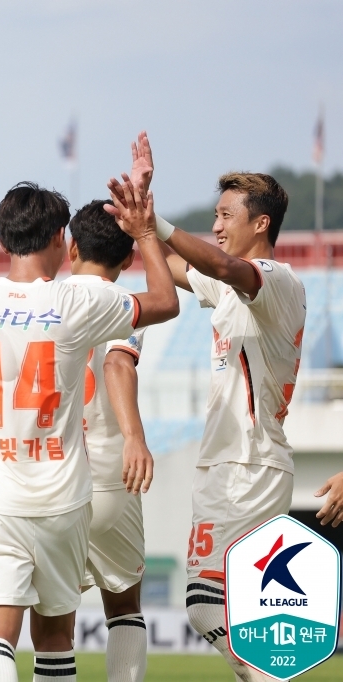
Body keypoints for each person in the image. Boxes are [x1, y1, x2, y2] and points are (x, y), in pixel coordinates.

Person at [0, 180, 179, 682]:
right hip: (64, 499)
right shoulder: (78, 303)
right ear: (59, 239)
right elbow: (165, 302)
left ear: (3, 239)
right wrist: (146, 233)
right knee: (55, 642)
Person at [122, 132, 305, 681]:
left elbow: (227, 268)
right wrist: (144, 227)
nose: (218, 226)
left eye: (226, 215)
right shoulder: (230, 288)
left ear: (261, 224)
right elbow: (176, 272)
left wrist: (162, 225)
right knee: (233, 608)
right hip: (231, 464)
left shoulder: (275, 280)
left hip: (248, 466)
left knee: (206, 605)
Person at [30, 199, 155, 682]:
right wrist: (133, 437)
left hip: (51, 472)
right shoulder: (128, 307)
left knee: (53, 621)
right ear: (128, 261)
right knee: (124, 606)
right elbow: (118, 361)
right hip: (110, 470)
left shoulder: (36, 300)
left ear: (72, 246)